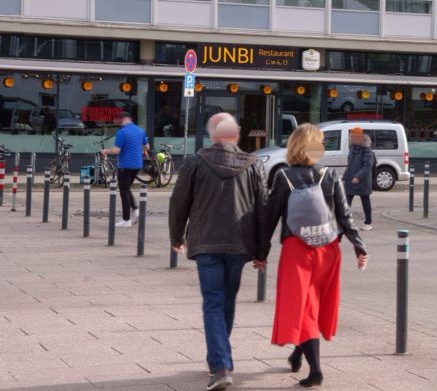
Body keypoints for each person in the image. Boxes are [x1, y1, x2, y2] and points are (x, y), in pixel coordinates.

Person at [262, 123, 368, 388]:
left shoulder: (283, 176)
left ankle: (316, 371)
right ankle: (298, 352)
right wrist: (358, 245)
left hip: (298, 250)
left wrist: (260, 252)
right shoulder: (330, 174)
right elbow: (344, 214)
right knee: (313, 305)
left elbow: (270, 217)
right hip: (328, 249)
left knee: (303, 306)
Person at [169, 113, 268, 391]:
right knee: (227, 301)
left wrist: (176, 235)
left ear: (212, 135)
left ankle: (221, 365)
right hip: (240, 243)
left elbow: (179, 203)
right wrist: (261, 250)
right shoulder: (253, 164)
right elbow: (263, 209)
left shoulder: (195, 162)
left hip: (206, 242)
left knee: (213, 301)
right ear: (235, 134)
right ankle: (219, 360)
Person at [101, 111, 148, 228]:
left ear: (123, 119)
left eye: (119, 120)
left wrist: (106, 151)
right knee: (127, 189)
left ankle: (126, 220)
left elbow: (116, 150)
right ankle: (136, 211)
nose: (118, 123)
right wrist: (138, 151)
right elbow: (146, 147)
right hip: (137, 165)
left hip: (125, 166)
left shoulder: (122, 132)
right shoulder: (140, 131)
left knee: (123, 192)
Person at [343, 127, 375, 230]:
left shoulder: (367, 150)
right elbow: (350, 165)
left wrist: (358, 176)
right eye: (350, 136)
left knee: (365, 201)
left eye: (353, 136)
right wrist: (344, 176)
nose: (351, 138)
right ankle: (345, 222)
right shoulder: (352, 148)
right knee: (346, 202)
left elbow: (367, 166)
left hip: (362, 180)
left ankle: (368, 223)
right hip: (351, 179)